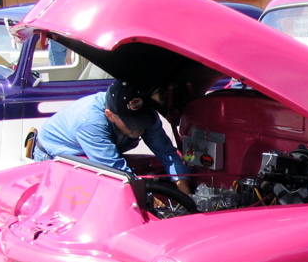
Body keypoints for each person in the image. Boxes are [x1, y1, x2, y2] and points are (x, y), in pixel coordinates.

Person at [33, 80, 192, 194]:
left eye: (141, 121)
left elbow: (167, 152)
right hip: (55, 155)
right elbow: (116, 171)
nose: (139, 129)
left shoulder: (146, 114)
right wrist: (149, 198)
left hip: (99, 154)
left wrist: (183, 187)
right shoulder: (90, 123)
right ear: (110, 115)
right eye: (132, 124)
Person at [43, 0, 68, 66]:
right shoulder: (63, 4)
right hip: (63, 38)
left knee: (56, 67)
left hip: (56, 38)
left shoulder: (51, 5)